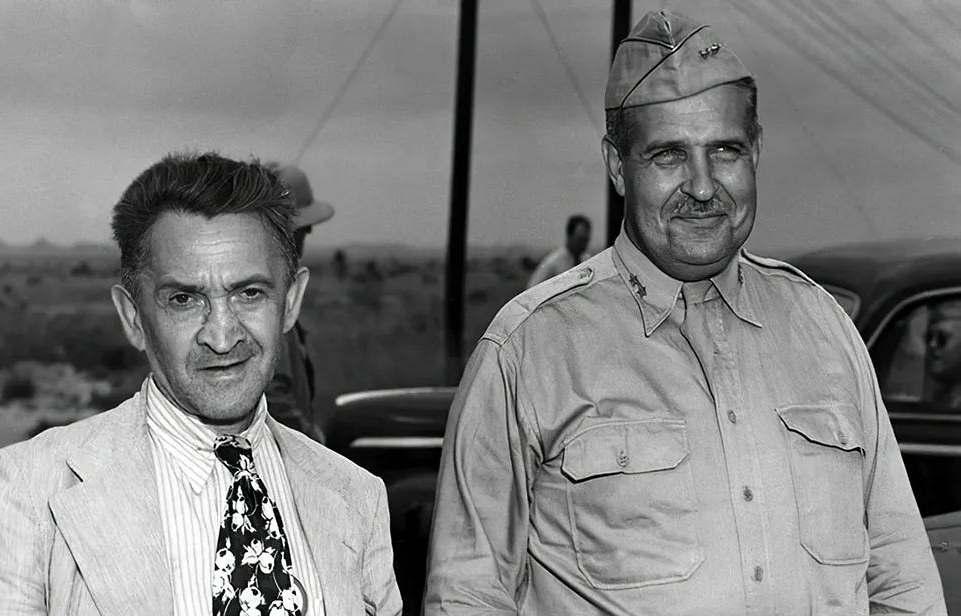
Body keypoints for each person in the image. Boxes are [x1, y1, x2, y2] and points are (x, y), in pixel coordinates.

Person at [425, 11, 944, 615]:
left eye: (724, 150)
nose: (702, 187)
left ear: (756, 152)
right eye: (668, 155)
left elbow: (903, 582)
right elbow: (467, 596)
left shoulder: (823, 328)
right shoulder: (529, 351)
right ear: (618, 166)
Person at [0, 153, 402, 615]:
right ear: (133, 318)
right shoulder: (30, 494)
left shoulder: (357, 498)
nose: (222, 334)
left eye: (249, 293)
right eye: (184, 299)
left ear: (290, 302)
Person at [264, 162, 336, 442]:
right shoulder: (267, 299)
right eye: (302, 228)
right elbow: (273, 396)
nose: (307, 235)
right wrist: (310, 442)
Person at [526, 214, 592, 288]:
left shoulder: (586, 260)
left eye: (586, 239)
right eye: (580, 239)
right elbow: (532, 287)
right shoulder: (553, 262)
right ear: (570, 236)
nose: (583, 244)